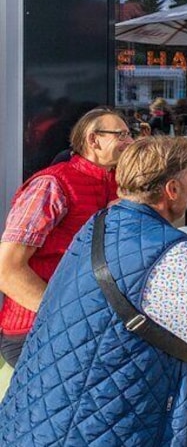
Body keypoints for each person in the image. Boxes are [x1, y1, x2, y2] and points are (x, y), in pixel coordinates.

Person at [0, 136, 187, 444]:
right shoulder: (167, 251)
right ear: (172, 190)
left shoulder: (100, 222)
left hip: (34, 412)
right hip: (95, 426)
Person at [0, 108, 133, 367]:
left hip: (94, 315)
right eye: (122, 135)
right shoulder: (52, 185)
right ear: (94, 140)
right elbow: (7, 270)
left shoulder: (114, 180)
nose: (129, 142)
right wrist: (67, 315)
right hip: (36, 329)